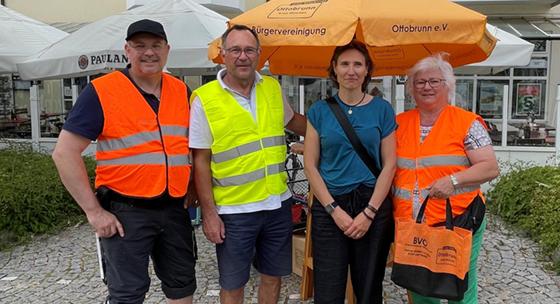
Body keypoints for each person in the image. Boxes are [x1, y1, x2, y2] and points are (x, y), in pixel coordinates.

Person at [52, 19, 196, 304]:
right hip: (125, 212)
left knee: (182, 287)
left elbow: (189, 148)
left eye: (156, 46)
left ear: (167, 50)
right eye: (140, 46)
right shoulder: (102, 91)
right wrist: (94, 212)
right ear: (127, 50)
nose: (149, 53)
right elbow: (64, 153)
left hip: (174, 209)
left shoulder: (182, 91)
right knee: (127, 294)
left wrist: (192, 187)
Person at [189, 25, 306, 304]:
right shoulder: (205, 99)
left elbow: (295, 122)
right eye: (236, 50)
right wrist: (209, 214)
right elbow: (200, 161)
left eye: (249, 50)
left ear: (259, 55)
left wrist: (333, 126)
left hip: (277, 203)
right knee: (233, 283)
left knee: (273, 276)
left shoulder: (272, 88)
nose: (243, 56)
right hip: (233, 210)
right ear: (223, 54)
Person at [393, 53, 499, 304]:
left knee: (459, 287)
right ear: (410, 88)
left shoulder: (466, 123)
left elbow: (490, 167)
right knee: (419, 288)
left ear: (448, 86)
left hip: (459, 219)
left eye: (434, 81)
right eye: (419, 82)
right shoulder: (399, 124)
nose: (426, 87)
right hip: (413, 223)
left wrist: (453, 181)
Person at [303, 40, 397, 304]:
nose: (351, 70)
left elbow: (390, 164)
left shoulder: (382, 110)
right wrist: (334, 210)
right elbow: (310, 164)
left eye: (358, 64)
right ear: (334, 69)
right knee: (328, 288)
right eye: (344, 64)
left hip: (372, 203)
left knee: (369, 288)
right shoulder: (319, 110)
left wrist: (369, 213)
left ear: (368, 70)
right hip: (330, 205)